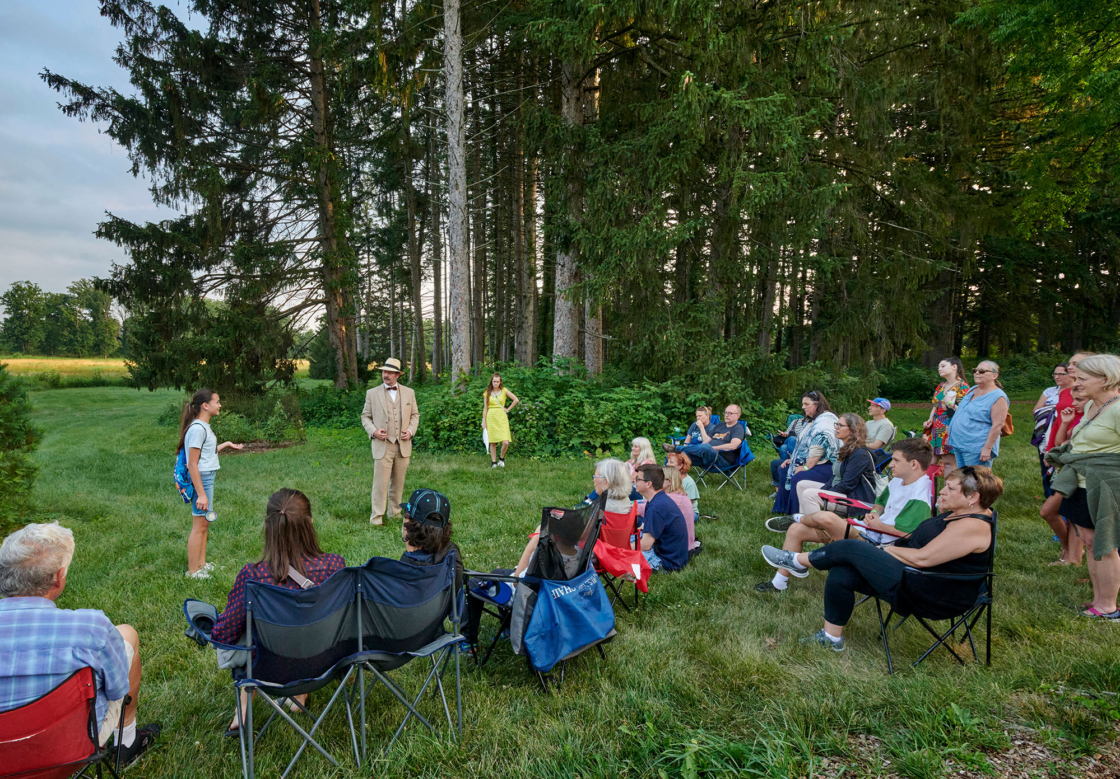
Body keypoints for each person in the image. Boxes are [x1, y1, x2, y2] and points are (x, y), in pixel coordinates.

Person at [764, 466, 1001, 652]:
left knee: (851, 548)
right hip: (915, 577)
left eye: (950, 489)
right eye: (945, 487)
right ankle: (831, 638)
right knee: (843, 571)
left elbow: (922, 559)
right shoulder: (959, 514)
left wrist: (882, 550)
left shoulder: (973, 526)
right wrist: (882, 548)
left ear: (974, 497)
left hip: (934, 592)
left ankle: (796, 561)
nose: (942, 491)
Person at [0, 522, 160, 766]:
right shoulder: (91, 628)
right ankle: (127, 742)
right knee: (127, 634)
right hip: (72, 746)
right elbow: (117, 691)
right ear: (58, 578)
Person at [211, 489, 345, 736]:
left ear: (267, 527)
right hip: (325, 661)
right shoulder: (335, 566)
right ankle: (298, 695)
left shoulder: (253, 577)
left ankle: (242, 710)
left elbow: (224, 634)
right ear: (311, 524)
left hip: (269, 667)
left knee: (247, 634)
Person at [758, 437, 933, 593]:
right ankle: (779, 583)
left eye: (895, 460)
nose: (891, 464)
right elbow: (880, 501)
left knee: (827, 518)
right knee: (797, 531)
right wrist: (873, 513)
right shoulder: (898, 480)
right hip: (868, 531)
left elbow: (910, 535)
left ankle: (796, 530)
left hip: (877, 548)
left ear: (914, 464)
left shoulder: (920, 496)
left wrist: (879, 526)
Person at [1046, 354, 1120, 620]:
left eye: (1082, 379)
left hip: (1105, 486)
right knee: (1089, 542)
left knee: (1104, 545)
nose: (1075, 383)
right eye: (1075, 378)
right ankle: (1097, 602)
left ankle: (1109, 607)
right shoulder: (1091, 406)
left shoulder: (1117, 409)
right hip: (1080, 483)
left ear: (1104, 380)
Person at [179, 388, 244, 579]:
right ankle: (193, 571)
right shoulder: (198, 429)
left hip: (207, 477)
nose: (220, 405)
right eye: (217, 401)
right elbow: (192, 463)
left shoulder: (203, 427)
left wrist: (226, 444)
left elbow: (205, 453)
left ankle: (202, 564)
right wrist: (201, 494)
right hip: (202, 478)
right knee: (198, 526)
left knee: (204, 523)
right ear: (206, 405)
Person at [361, 357, 420, 526]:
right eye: (384, 372)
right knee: (380, 483)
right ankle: (377, 518)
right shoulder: (372, 393)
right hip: (383, 445)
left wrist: (410, 431)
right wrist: (373, 431)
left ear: (397, 375)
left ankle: (394, 513)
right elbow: (365, 416)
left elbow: (415, 415)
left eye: (389, 372)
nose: (385, 375)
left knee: (398, 481)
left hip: (403, 445)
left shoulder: (409, 393)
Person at [1040, 395, 1088, 566]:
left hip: (1079, 473)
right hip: (1067, 471)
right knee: (1060, 513)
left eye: (1079, 400)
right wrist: (1065, 421)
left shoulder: (1093, 419)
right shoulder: (1081, 418)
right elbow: (1061, 442)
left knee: (1053, 511)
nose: (1074, 403)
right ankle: (1070, 554)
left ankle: (1072, 555)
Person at [772, 392, 838, 515]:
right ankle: (782, 509)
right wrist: (793, 460)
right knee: (784, 469)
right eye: (803, 404)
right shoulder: (811, 421)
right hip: (814, 462)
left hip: (829, 466)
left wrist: (806, 467)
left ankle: (796, 514)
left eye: (806, 404)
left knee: (799, 476)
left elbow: (819, 446)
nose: (803, 407)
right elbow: (802, 446)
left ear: (818, 404)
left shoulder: (825, 421)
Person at [946, 361, 1010, 468]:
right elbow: (964, 412)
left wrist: (987, 448)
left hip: (976, 449)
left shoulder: (998, 397)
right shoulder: (973, 389)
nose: (977, 373)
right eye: (975, 370)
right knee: (962, 480)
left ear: (995, 375)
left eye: (982, 371)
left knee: (975, 482)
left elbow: (998, 425)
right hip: (960, 444)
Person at [633, 464, 690, 572]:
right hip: (674, 557)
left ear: (648, 484)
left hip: (666, 563)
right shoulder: (659, 499)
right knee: (630, 540)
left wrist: (620, 548)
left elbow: (645, 545)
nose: (635, 481)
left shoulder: (656, 507)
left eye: (638, 479)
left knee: (620, 555)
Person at [664, 404, 748, 471]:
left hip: (722, 459)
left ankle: (676, 447)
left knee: (706, 447)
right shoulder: (719, 425)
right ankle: (664, 476)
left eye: (730, 413)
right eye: (726, 412)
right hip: (706, 456)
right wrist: (698, 448)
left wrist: (712, 448)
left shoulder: (738, 428)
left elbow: (733, 445)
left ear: (738, 415)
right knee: (676, 456)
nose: (726, 415)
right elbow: (707, 440)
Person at [923, 357, 969, 472]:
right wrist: (929, 420)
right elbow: (935, 405)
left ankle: (949, 489)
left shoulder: (963, 387)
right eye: (939, 367)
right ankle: (928, 489)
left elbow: (965, 412)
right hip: (936, 428)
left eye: (943, 366)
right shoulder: (941, 386)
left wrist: (950, 404)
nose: (939, 369)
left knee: (949, 462)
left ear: (954, 367)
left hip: (950, 429)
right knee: (930, 461)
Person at [1034, 363, 1071, 496]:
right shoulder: (1050, 391)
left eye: (1061, 374)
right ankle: (1048, 492)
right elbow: (1036, 410)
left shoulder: (1076, 392)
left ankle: (1060, 493)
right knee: (1046, 461)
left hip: (1065, 430)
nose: (1057, 377)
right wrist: (1053, 412)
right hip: (1045, 432)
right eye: (1055, 374)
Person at [481, 373, 519, 468]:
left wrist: (508, 409)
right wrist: (484, 422)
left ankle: (501, 459)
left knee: (505, 442)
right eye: (494, 381)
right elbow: (485, 408)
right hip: (491, 417)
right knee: (493, 442)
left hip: (501, 417)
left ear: (500, 382)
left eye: (497, 381)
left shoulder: (504, 390)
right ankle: (494, 462)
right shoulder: (487, 392)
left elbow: (516, 399)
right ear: (491, 381)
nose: (495, 383)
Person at [658, 465, 698, 555]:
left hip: (678, 547)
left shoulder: (671, 499)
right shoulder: (679, 495)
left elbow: (650, 509)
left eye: (659, 478)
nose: (655, 481)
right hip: (686, 542)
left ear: (669, 481)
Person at [668, 451, 700, 520]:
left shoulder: (689, 482)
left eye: (671, 462)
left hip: (687, 511)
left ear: (680, 466)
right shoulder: (667, 479)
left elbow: (688, 503)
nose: (667, 464)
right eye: (667, 462)